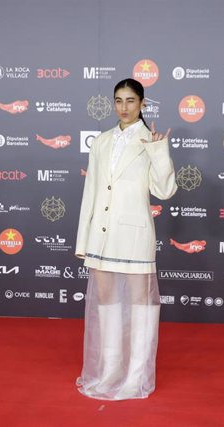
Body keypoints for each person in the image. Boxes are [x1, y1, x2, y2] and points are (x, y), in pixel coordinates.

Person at [75, 78, 177, 400]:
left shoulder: (151, 141)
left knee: (141, 304)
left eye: (131, 100)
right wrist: (84, 241)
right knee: (105, 301)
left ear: (143, 104)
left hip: (134, 236)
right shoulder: (102, 141)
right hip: (102, 237)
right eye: (118, 100)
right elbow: (90, 192)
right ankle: (109, 371)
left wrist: (159, 152)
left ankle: (136, 376)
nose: (124, 107)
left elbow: (165, 191)